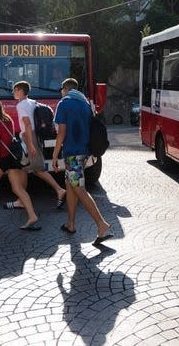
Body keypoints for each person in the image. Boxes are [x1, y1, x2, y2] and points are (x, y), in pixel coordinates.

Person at [52, 78, 113, 245]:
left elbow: (61, 133)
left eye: (61, 90)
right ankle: (70, 223)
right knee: (70, 184)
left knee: (79, 188)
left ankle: (101, 224)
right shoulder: (85, 104)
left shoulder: (64, 103)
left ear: (65, 89)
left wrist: (55, 156)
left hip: (72, 153)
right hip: (84, 151)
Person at [0, 97, 40, 230]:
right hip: (12, 157)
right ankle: (32, 215)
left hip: (1, 158)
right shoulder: (7, 119)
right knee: (18, 188)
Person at [2, 81, 65, 210]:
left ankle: (59, 190)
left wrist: (29, 144)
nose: (13, 93)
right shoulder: (32, 102)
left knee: (36, 168)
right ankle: (21, 200)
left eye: (14, 90)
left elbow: (27, 124)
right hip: (34, 136)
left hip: (28, 137)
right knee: (25, 168)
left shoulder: (21, 105)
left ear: (20, 90)